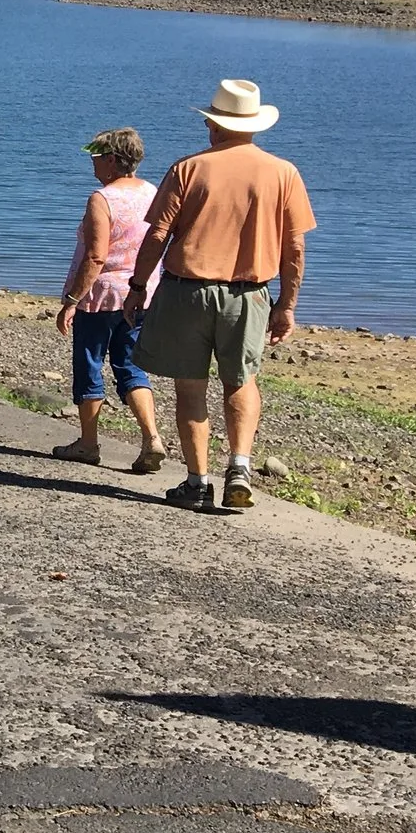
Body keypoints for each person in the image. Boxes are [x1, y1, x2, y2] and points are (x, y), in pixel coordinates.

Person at [123, 80, 315, 513]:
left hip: (186, 291)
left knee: (190, 387)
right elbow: (295, 248)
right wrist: (287, 305)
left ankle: (196, 482)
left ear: (213, 124)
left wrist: (138, 286)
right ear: (254, 126)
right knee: (241, 380)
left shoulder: (187, 168)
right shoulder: (283, 173)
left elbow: (157, 235)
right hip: (249, 294)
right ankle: (241, 468)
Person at [53, 127, 169, 473]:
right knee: (131, 366)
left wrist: (73, 299)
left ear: (113, 161)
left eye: (97, 156)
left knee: (89, 365)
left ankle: (88, 444)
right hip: (141, 293)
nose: (93, 163)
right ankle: (152, 438)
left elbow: (95, 257)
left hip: (100, 296)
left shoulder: (102, 199)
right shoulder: (153, 193)